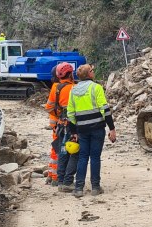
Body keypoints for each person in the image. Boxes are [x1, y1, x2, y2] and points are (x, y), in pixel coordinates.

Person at [66, 64, 116, 197]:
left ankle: (78, 188)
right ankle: (95, 187)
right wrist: (112, 128)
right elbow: (104, 110)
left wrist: (74, 132)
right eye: (92, 70)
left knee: (83, 157)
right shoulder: (96, 88)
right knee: (95, 157)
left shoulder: (73, 91)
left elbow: (70, 114)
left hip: (82, 130)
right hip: (97, 129)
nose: (94, 72)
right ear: (89, 74)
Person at [45, 63, 78, 192]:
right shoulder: (74, 88)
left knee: (60, 151)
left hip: (59, 125)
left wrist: (58, 115)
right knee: (73, 151)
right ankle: (67, 180)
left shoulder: (55, 88)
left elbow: (49, 107)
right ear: (70, 74)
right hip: (72, 125)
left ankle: (57, 178)